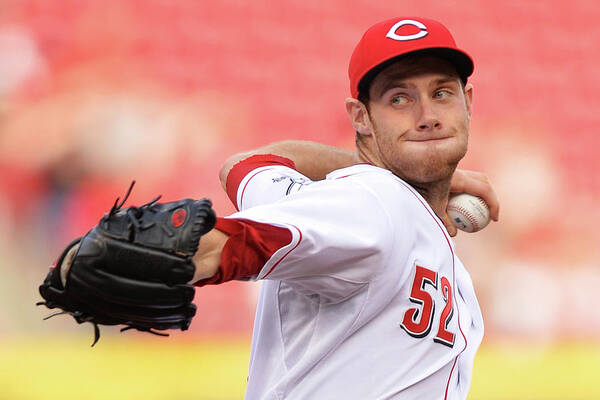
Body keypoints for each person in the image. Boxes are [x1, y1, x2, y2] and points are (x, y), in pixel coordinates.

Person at [189, 17, 498, 399]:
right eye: (399, 98)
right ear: (360, 117)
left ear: (467, 102)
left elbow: (247, 165)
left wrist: (406, 173)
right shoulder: (376, 201)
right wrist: (182, 253)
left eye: (442, 93)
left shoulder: (347, 197)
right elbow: (234, 244)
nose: (428, 116)